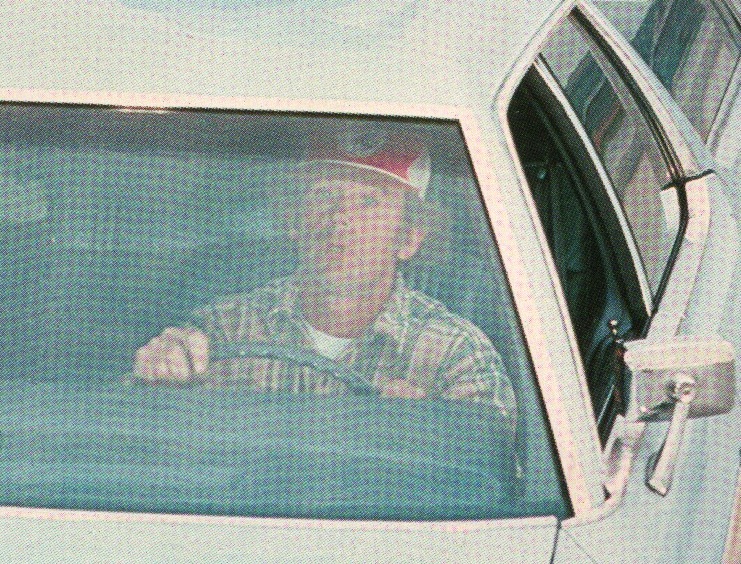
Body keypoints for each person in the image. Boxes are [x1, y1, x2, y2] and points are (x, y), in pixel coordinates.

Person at [131, 138, 516, 424]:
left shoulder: (455, 355)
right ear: (294, 220)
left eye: (369, 202)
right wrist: (157, 376)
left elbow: (492, 483)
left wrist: (429, 433)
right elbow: (132, 443)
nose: (340, 219)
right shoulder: (223, 328)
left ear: (409, 237)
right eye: (324, 194)